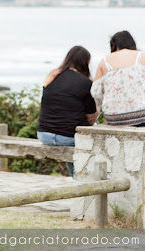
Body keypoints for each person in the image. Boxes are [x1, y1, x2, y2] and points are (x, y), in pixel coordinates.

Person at [37, 46, 99, 176]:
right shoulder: (85, 83)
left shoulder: (52, 76)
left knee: (72, 138)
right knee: (94, 141)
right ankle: (81, 179)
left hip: (44, 134)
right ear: (85, 63)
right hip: (67, 137)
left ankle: (75, 179)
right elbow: (92, 116)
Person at [91, 30, 145, 126]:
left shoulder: (104, 61)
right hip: (144, 117)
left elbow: (95, 92)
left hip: (113, 119)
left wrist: (102, 107)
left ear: (113, 46)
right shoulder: (143, 56)